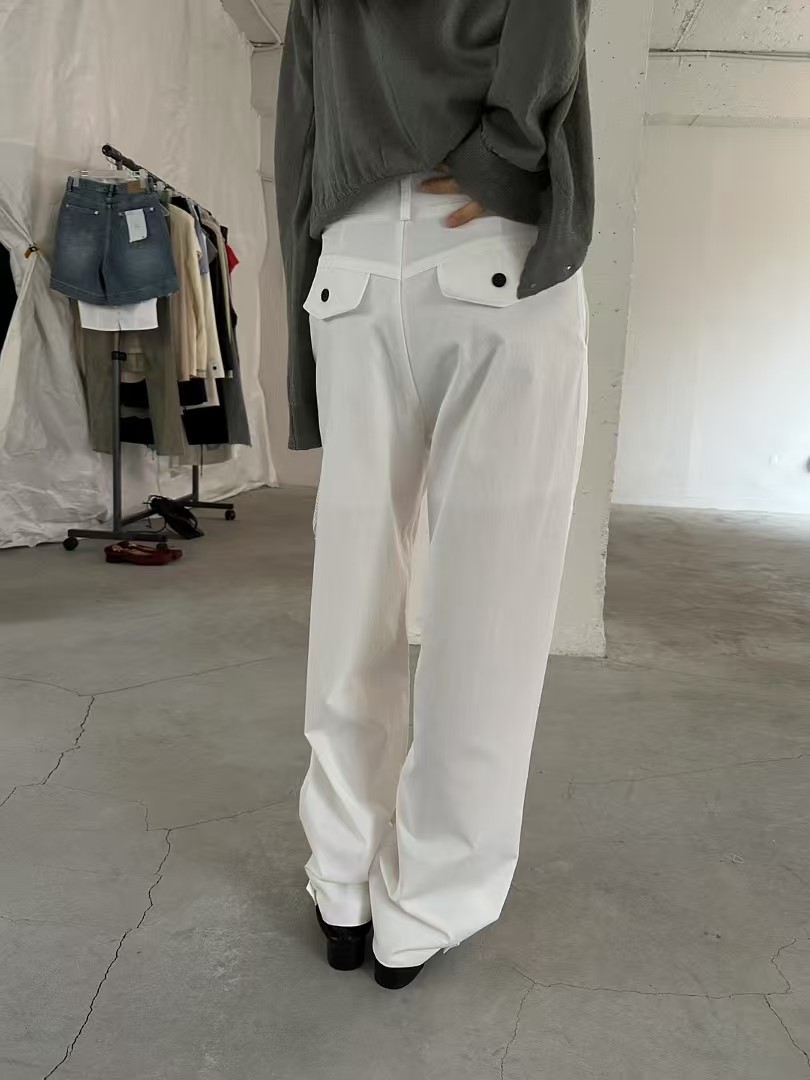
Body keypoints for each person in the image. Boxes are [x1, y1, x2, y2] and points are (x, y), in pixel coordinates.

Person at [275, 0, 593, 990]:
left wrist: (305, 346)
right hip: (490, 236)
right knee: (489, 609)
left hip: (351, 262)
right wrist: (503, 154)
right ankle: (422, 910)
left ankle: (341, 879)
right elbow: (548, 29)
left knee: (352, 589)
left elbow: (300, 133)